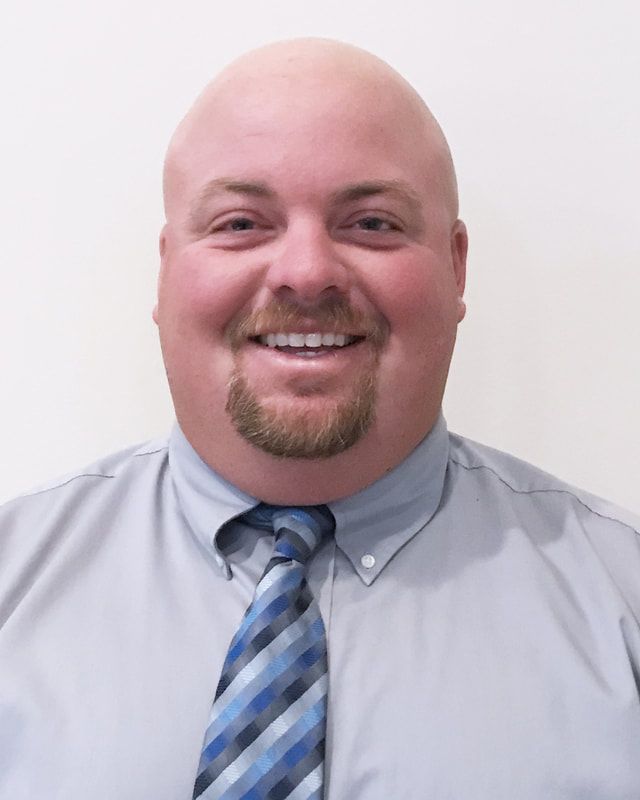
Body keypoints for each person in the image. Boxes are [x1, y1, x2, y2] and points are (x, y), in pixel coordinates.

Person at [1, 38, 639, 800]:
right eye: (241, 223)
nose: (306, 272)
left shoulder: (622, 605)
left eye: (371, 223)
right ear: (168, 267)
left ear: (456, 265)